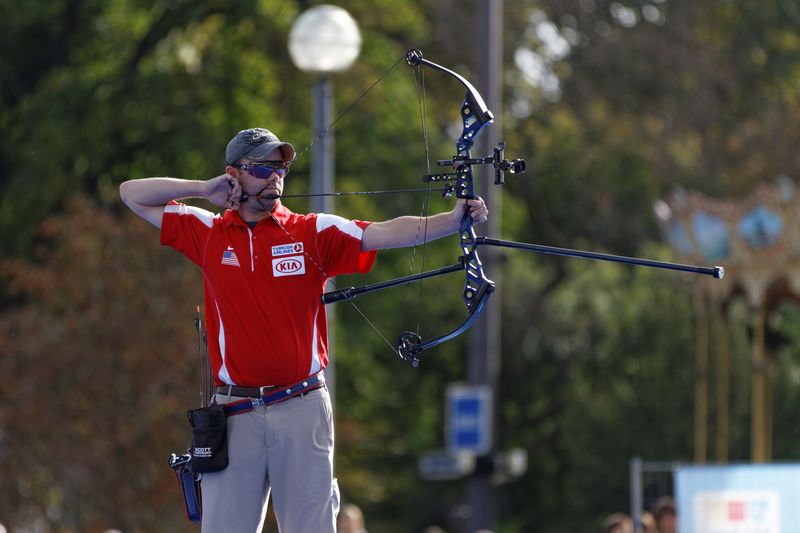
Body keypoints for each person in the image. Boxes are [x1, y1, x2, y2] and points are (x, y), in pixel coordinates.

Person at [119, 127, 489, 533]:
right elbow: (130, 193)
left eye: (281, 167)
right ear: (233, 174)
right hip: (234, 411)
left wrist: (453, 220)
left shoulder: (310, 231)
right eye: (262, 167)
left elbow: (384, 232)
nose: (275, 176)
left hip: (301, 404)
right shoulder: (208, 230)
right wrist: (203, 189)